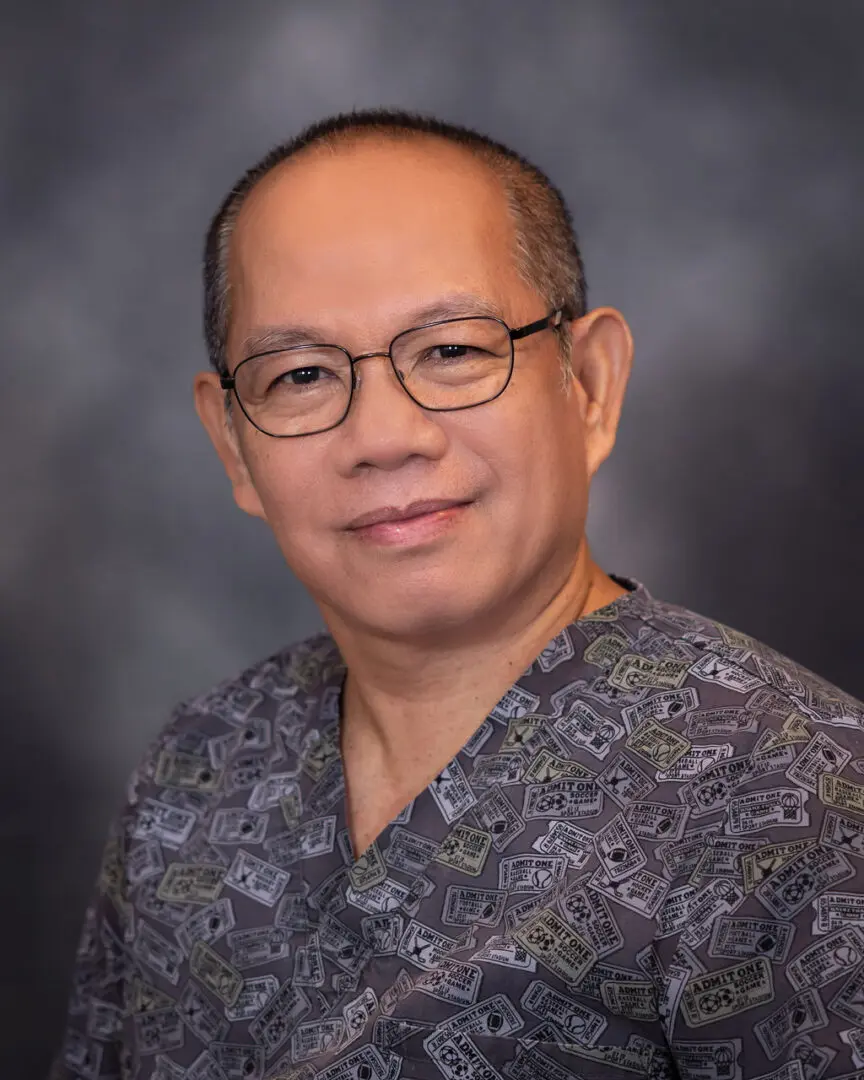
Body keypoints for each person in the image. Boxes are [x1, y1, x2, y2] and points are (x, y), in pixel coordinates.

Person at [51, 109, 864, 1080]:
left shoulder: (794, 796)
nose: (385, 436)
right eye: (302, 374)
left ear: (590, 384)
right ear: (234, 443)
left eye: (452, 352)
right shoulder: (199, 771)